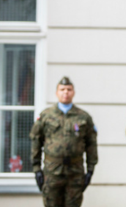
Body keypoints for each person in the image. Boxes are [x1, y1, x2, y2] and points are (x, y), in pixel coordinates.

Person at [30, 76, 98, 207]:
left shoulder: (83, 117)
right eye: (62, 89)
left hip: (75, 173)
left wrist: (90, 170)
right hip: (52, 172)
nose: (65, 92)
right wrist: (37, 169)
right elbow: (36, 141)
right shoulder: (46, 116)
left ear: (74, 92)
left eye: (69, 89)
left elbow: (91, 144)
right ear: (56, 93)